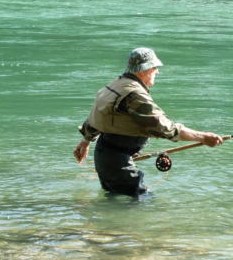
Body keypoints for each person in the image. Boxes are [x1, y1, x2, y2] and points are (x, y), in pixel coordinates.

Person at [73, 47, 223, 196]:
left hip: (105, 157)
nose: (157, 71)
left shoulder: (117, 84)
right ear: (144, 70)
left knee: (114, 200)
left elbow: (99, 116)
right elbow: (165, 128)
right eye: (155, 67)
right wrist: (204, 137)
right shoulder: (135, 95)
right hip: (117, 162)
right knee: (144, 205)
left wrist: (86, 140)